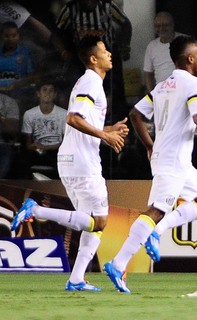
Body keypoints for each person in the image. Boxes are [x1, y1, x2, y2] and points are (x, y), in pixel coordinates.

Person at [104, 36, 197, 293]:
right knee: (155, 211)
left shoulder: (164, 85)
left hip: (177, 160)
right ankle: (118, 263)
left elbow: (135, 114)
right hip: (172, 160)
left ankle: (157, 232)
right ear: (190, 59)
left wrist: (149, 144)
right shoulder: (194, 83)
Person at [10, 35, 128, 292]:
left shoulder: (90, 83)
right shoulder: (90, 82)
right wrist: (105, 136)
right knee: (100, 222)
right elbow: (73, 119)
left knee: (92, 223)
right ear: (93, 58)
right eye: (104, 50)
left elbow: (82, 122)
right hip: (82, 162)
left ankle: (76, 278)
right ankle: (35, 211)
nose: (109, 54)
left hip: (75, 159)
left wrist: (108, 128)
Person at [55, 0, 132, 123]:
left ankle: (117, 125)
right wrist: (63, 51)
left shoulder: (107, 6)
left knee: (115, 90)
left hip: (106, 53)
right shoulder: (70, 9)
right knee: (82, 89)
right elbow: (56, 32)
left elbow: (125, 24)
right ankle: (84, 123)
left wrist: (125, 47)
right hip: (81, 57)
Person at [143, 11, 197, 92]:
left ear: (172, 25)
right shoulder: (151, 46)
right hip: (162, 94)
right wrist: (152, 95)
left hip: (186, 92)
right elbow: (148, 73)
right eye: (158, 26)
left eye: (165, 25)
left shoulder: (186, 41)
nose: (161, 28)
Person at [20, 80, 67, 179]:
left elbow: (66, 143)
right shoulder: (29, 114)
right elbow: (28, 144)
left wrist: (46, 148)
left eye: (51, 91)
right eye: (44, 90)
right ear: (38, 94)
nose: (47, 93)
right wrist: (36, 147)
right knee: (21, 161)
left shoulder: (64, 114)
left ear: (55, 94)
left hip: (57, 151)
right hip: (36, 151)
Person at [0, 21, 38, 106]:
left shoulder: (25, 53)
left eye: (14, 36)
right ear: (1, 36)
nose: (10, 39)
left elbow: (32, 77)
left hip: (20, 91)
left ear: (19, 36)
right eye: (6, 36)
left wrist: (16, 85)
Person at [0, 91, 19, 178]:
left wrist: (1, 118)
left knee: (6, 150)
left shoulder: (9, 102)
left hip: (2, 143)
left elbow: (13, 131)